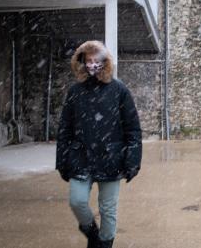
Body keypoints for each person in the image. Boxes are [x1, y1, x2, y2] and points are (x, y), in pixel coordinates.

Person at [56, 40, 142, 248]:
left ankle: (105, 244)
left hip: (111, 157)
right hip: (81, 157)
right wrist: (63, 160)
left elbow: (133, 129)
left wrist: (132, 160)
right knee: (76, 201)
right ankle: (93, 235)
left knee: (108, 209)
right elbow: (64, 129)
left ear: (105, 62)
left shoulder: (119, 90)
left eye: (97, 60)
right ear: (82, 62)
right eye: (88, 60)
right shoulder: (75, 92)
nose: (92, 64)